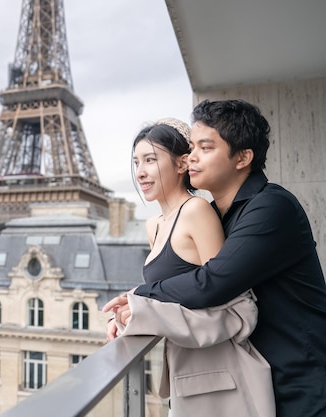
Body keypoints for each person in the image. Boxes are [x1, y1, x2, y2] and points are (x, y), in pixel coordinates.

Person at [105, 100, 326, 417]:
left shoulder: (271, 207)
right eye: (192, 146)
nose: (191, 156)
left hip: (303, 382)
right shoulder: (220, 217)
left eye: (205, 148)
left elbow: (213, 282)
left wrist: (138, 297)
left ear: (243, 157)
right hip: (264, 380)